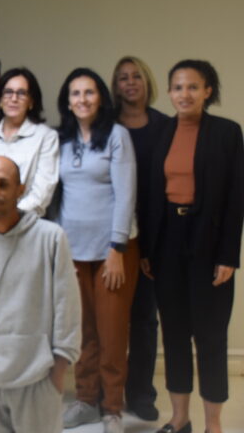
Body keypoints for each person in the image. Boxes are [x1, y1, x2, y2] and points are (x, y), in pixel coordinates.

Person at [144, 60, 243, 433]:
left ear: (207, 91)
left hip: (209, 241)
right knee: (174, 333)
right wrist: (149, 250)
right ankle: (180, 418)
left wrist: (228, 255)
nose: (184, 94)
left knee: (211, 336)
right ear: (170, 92)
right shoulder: (160, 132)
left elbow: (236, 197)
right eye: (177, 87)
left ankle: (213, 425)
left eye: (192, 87)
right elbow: (150, 195)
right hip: (167, 241)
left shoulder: (227, 133)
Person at [0, 156, 81, 433]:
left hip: (37, 374)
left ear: (20, 189)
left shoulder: (51, 238)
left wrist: (59, 369)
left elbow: (67, 305)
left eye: (2, 184)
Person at [55, 68, 137, 433]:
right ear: (67, 101)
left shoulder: (117, 136)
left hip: (112, 252)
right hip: (73, 252)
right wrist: (61, 250)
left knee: (112, 332)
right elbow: (56, 199)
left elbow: (126, 194)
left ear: (100, 97)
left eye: (89, 92)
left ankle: (112, 409)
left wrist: (117, 247)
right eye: (75, 93)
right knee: (83, 331)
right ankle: (86, 400)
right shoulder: (62, 140)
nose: (82, 99)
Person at [111, 56, 169, 421]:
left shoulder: (166, 126)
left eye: (136, 76)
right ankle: (107, 393)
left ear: (147, 81)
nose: (131, 82)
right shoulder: (106, 125)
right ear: (115, 87)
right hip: (114, 236)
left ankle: (141, 394)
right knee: (109, 320)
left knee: (145, 319)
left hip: (154, 234)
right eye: (123, 78)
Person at [0, 67, 59, 219]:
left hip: (26, 225)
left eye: (21, 93)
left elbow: (41, 193)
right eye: (8, 92)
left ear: (31, 101)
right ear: (0, 99)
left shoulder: (46, 136)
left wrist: (8, 221)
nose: (14, 98)